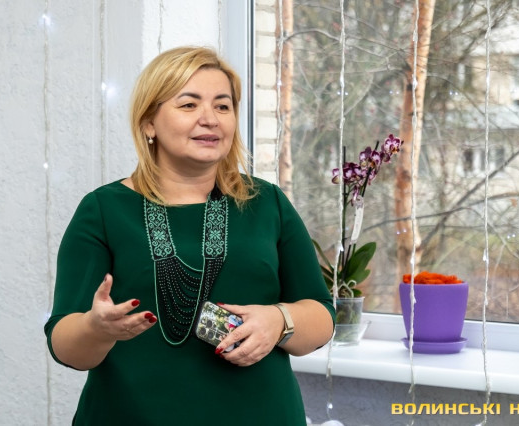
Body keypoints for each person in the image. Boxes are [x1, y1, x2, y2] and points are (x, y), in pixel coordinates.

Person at [44, 46, 335, 425]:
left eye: (222, 106)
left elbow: (322, 315)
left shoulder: (268, 203)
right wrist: (95, 329)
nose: (210, 119)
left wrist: (280, 320)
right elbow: (65, 346)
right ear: (149, 122)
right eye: (188, 105)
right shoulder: (103, 210)